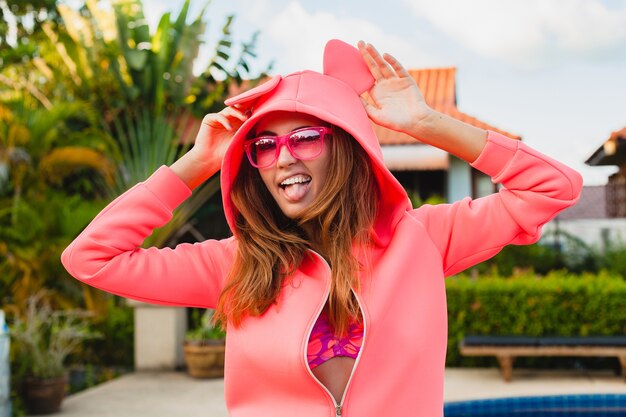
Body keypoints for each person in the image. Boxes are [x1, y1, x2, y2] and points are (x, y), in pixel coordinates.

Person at [61, 39, 583, 417]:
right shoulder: (235, 263)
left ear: (347, 147)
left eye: (305, 138)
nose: (282, 157)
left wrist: (427, 124)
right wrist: (196, 165)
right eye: (264, 145)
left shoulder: (422, 239)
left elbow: (553, 188)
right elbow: (91, 258)